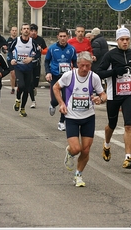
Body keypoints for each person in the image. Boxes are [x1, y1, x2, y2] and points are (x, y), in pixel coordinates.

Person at [53, 52, 107, 187]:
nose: (84, 69)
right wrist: (62, 103)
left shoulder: (94, 77)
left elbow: (103, 94)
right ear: (77, 64)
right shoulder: (69, 76)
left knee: (86, 150)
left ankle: (78, 175)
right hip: (71, 117)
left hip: (88, 117)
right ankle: (70, 152)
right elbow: (56, 87)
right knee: (76, 149)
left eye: (87, 66)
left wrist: (100, 99)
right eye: (82, 65)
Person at [96, 26, 131, 169]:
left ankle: (128, 157)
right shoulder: (110, 55)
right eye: (122, 39)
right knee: (112, 124)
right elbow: (99, 72)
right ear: (117, 40)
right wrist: (114, 71)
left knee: (128, 125)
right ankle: (107, 144)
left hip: (128, 94)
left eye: (127, 39)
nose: (125, 42)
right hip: (113, 95)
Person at [44, 27, 78, 131]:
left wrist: (75, 70)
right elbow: (46, 61)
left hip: (67, 77)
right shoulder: (52, 48)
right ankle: (52, 104)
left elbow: (75, 62)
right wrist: (48, 72)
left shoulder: (71, 49)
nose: (63, 38)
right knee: (55, 100)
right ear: (57, 37)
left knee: (66, 100)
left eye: (64, 36)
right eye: (61, 36)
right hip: (55, 76)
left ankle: (62, 121)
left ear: (67, 37)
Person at [8, 23, 41, 117]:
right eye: (24, 29)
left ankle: (22, 109)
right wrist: (12, 59)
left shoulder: (33, 42)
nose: (26, 30)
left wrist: (31, 58)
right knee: (21, 85)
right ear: (21, 31)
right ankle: (18, 99)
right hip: (19, 67)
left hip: (29, 69)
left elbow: (38, 53)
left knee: (26, 90)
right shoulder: (16, 41)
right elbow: (10, 51)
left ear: (30, 31)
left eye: (28, 29)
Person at [29, 23, 48, 108]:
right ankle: (33, 101)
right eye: (31, 31)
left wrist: (41, 50)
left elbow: (46, 50)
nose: (33, 33)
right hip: (28, 64)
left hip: (37, 63)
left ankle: (33, 88)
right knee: (30, 82)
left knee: (35, 83)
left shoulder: (40, 40)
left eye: (35, 31)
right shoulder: (26, 40)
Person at [6, 26, 18, 94]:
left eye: (15, 30)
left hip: (17, 59)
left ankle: (17, 84)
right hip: (10, 59)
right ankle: (13, 88)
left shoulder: (19, 40)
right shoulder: (8, 40)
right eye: (13, 30)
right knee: (12, 73)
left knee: (17, 74)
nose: (14, 32)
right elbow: (4, 48)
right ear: (10, 31)